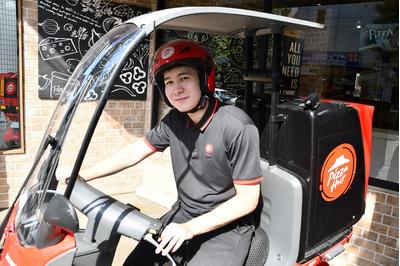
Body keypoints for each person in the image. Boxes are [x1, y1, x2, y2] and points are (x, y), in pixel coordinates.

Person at [58, 39, 263, 266]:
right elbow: (136, 151)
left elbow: (247, 200)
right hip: (184, 214)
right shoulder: (175, 120)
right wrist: (83, 175)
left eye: (184, 78)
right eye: (169, 81)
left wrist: (189, 229)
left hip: (226, 227)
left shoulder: (236, 126)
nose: (177, 89)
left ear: (205, 79)